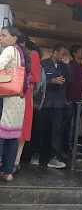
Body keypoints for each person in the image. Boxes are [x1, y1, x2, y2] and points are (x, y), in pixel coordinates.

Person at [30, 44, 72, 169]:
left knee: (57, 131)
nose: (64, 56)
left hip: (58, 104)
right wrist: (52, 81)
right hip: (44, 103)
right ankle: (36, 154)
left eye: (66, 54)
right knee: (40, 129)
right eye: (62, 54)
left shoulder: (64, 67)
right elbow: (37, 81)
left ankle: (53, 158)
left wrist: (68, 65)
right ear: (55, 52)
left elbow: (71, 79)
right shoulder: (43, 63)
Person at [0, 26, 31, 182]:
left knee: (0, 134)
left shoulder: (9, 50)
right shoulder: (22, 53)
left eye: (4, 35)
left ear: (14, 38)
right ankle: (8, 172)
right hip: (19, 99)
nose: (1, 38)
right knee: (12, 137)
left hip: (6, 98)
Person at [14, 36, 41, 173]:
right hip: (20, 93)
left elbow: (35, 78)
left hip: (21, 93)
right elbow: (35, 78)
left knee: (21, 127)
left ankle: (15, 161)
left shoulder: (32, 55)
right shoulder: (30, 55)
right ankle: (14, 161)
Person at [64, 45, 82, 154]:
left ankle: (72, 147)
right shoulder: (70, 65)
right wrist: (66, 98)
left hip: (79, 101)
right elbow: (67, 83)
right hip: (70, 100)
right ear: (74, 53)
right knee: (68, 124)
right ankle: (65, 148)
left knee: (76, 125)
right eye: (80, 51)